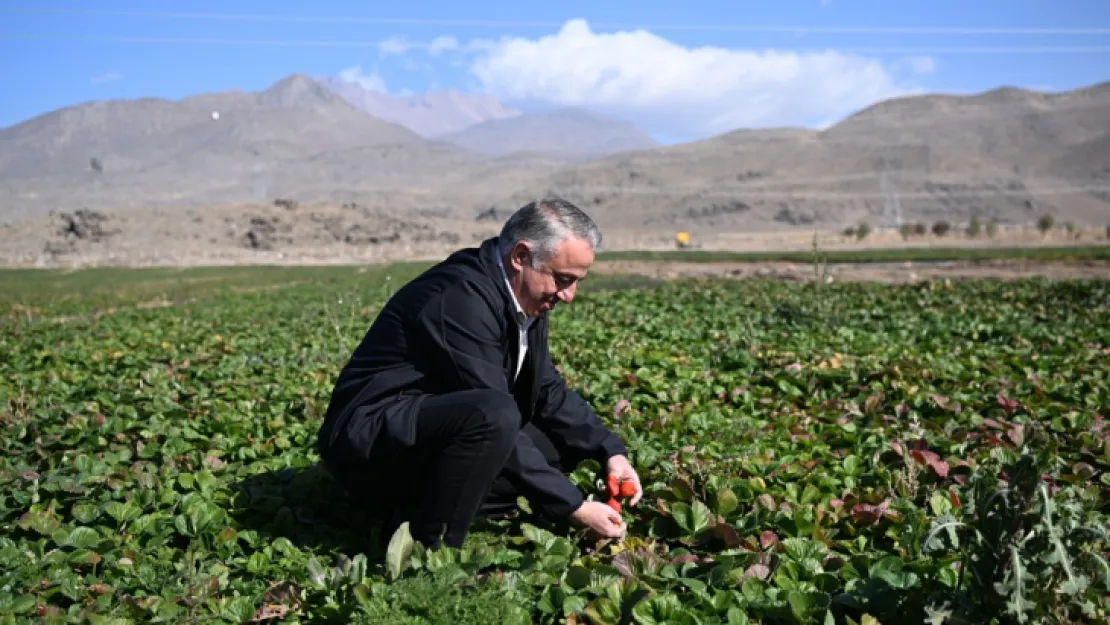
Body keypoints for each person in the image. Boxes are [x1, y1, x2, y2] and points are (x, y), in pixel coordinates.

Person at [317, 197, 642, 550]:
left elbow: (548, 390)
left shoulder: (524, 296)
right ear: (520, 257)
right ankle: (431, 548)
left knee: (562, 445)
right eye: (563, 279)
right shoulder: (458, 299)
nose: (569, 296)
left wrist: (611, 452)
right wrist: (574, 507)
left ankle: (432, 503)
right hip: (373, 444)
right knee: (496, 415)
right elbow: (492, 410)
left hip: (430, 428)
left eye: (577, 281)